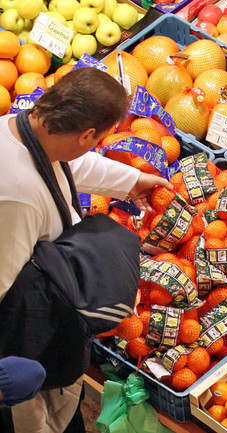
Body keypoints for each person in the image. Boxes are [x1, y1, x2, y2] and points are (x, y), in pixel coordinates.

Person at [0, 67, 172, 432]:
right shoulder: (17, 197)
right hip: (24, 339)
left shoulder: (25, 128)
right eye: (98, 139)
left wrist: (131, 181)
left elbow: (70, 161)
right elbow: (5, 289)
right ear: (88, 134)